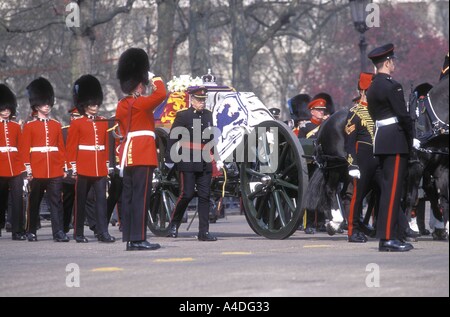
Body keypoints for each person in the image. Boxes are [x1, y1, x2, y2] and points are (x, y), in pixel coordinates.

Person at [366, 43, 417, 252]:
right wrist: (412, 137)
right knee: (393, 192)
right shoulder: (392, 85)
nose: (394, 64)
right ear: (387, 62)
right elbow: (403, 116)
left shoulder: (372, 87)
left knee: (388, 190)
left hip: (381, 139)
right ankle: (388, 238)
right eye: (392, 60)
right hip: (396, 140)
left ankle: (390, 236)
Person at [115, 48, 167, 251]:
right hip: (143, 153)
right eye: (143, 84)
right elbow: (162, 93)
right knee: (141, 197)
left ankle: (130, 238)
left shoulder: (122, 104)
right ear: (139, 85)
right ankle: (139, 238)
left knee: (129, 197)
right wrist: (154, 77)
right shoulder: (140, 103)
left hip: (127, 155)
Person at [66, 75, 115, 243]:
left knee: (101, 201)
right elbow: (71, 146)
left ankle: (103, 232)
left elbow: (105, 144)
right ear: (84, 105)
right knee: (80, 201)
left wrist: (107, 164)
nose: (94, 106)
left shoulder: (103, 121)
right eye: (91, 104)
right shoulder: (77, 123)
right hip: (83, 166)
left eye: (96, 103)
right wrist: (73, 166)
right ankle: (78, 233)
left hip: (99, 167)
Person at [20, 77, 69, 242]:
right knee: (35, 202)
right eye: (43, 103)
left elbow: (61, 148)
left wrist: (63, 168)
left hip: (54, 168)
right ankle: (32, 231)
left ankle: (58, 232)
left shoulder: (56, 125)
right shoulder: (29, 126)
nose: (46, 106)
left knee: (56, 202)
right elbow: (25, 150)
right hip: (37, 169)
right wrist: (28, 170)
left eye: (48, 103)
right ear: (36, 105)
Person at [167, 86, 218, 242]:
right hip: (188, 158)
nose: (202, 103)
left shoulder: (209, 115)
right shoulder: (183, 116)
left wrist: (216, 158)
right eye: (199, 100)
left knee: (205, 196)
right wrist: (170, 159)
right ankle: (174, 224)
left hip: (204, 159)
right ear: (192, 100)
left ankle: (204, 231)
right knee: (187, 194)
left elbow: (211, 139)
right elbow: (173, 138)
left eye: (203, 100)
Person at [345, 72, 379, 243]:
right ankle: (352, 230)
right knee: (358, 196)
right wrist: (352, 164)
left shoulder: (377, 111)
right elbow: (350, 143)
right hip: (362, 158)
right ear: (363, 91)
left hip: (377, 158)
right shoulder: (354, 112)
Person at [0, 84, 26, 240]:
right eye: (3, 109)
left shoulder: (16, 126)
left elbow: (21, 148)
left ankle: (18, 230)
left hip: (15, 166)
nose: (6, 111)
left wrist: (24, 168)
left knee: (17, 199)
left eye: (8, 109)